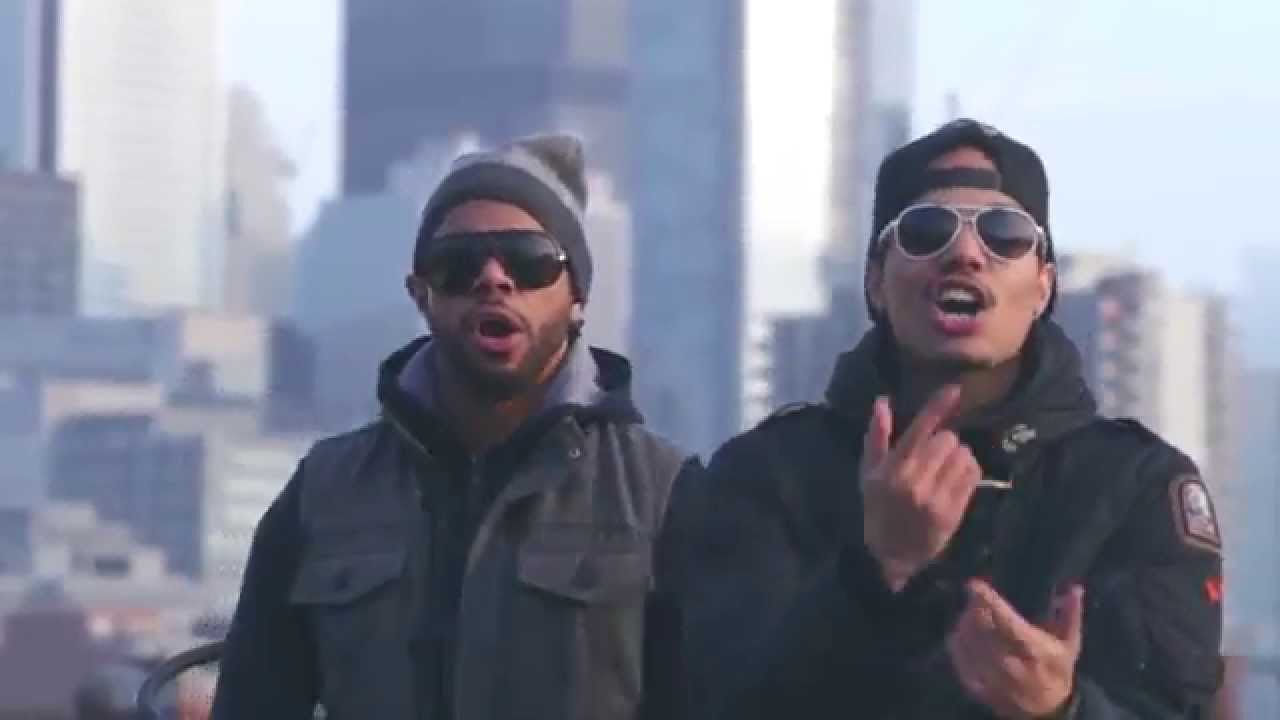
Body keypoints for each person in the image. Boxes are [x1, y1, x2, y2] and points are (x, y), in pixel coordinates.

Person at [685, 118, 1223, 718]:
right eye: (926, 230)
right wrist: (876, 571)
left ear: (1043, 287)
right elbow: (719, 696)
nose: (965, 254)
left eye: (1004, 235)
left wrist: (1062, 708)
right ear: (876, 282)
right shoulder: (768, 474)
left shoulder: (1135, 485)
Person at [210, 134, 699, 719]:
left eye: (529, 261)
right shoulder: (324, 491)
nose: (493, 279)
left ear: (578, 296)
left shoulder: (664, 493)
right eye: (457, 264)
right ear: (420, 294)